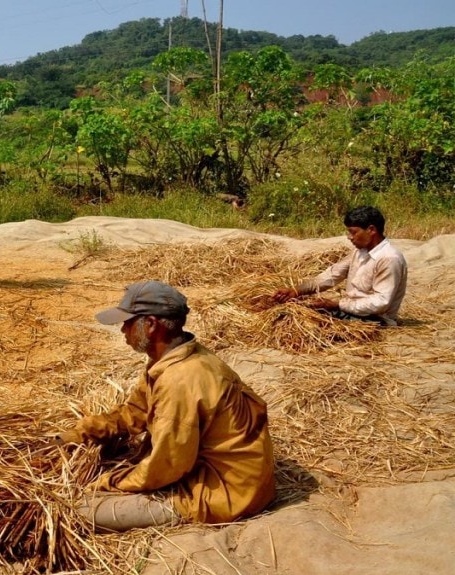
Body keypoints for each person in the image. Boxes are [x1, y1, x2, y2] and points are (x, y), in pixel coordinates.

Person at [56, 280, 276, 531]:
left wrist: (108, 481)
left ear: (150, 325)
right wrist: (81, 433)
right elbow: (135, 412)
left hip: (228, 493)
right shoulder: (179, 357)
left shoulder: (179, 381)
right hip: (238, 477)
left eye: (127, 323)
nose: (123, 331)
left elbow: (167, 467)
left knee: (78, 512)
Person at [272, 206, 407, 326]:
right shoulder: (360, 251)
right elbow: (332, 275)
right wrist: (296, 291)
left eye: (353, 232)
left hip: (375, 321)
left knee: (305, 321)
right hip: (352, 312)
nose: (349, 237)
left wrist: (337, 304)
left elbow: (381, 303)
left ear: (371, 230)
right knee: (294, 310)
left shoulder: (389, 258)